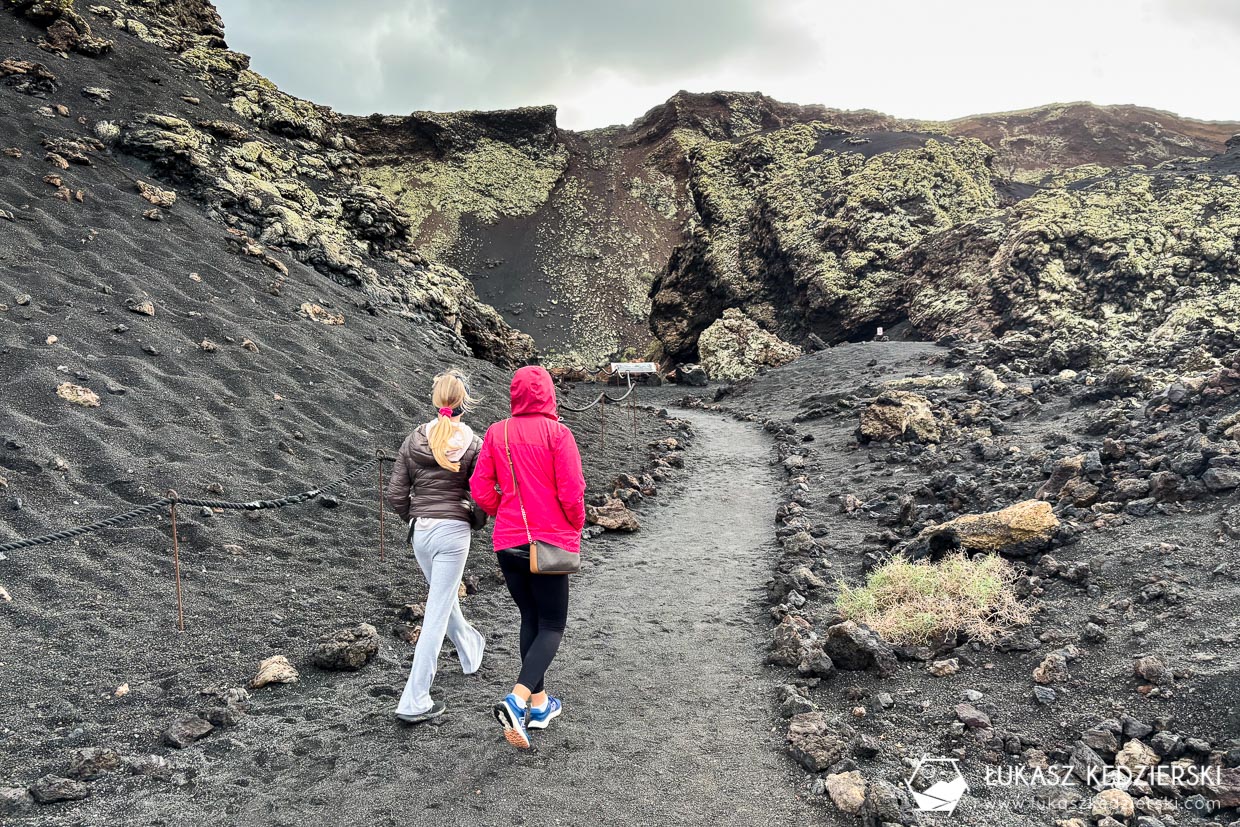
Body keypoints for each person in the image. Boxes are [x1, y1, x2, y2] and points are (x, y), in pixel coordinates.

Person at [470, 365, 586, 749]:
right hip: (549, 541)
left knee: (530, 618)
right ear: (549, 393)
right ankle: (517, 698)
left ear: (514, 394)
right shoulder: (559, 433)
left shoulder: (496, 432)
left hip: (508, 540)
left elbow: (480, 487)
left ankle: (539, 705)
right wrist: (574, 525)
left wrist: (499, 506)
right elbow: (572, 492)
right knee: (552, 623)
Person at [385, 369, 487, 724]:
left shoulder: (415, 438)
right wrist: (474, 519)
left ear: (436, 399)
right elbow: (484, 493)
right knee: (437, 610)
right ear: (465, 401)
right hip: (453, 532)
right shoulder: (474, 444)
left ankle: (470, 649)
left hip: (421, 531)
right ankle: (415, 700)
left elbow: (396, 493)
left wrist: (415, 519)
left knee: (441, 599)